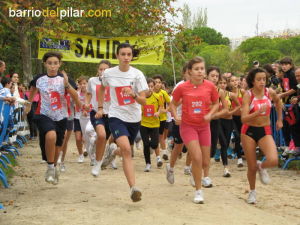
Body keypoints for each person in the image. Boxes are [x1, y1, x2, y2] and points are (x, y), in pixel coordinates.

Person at [97, 43, 148, 202]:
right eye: (123, 54)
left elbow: (144, 102)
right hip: (116, 116)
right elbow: (101, 88)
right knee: (126, 149)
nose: (126, 57)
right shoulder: (108, 73)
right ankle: (133, 188)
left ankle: (112, 152)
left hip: (134, 118)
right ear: (117, 56)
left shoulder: (138, 74)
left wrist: (133, 94)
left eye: (128, 54)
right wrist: (100, 107)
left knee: (125, 151)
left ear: (132, 56)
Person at [169, 56, 219, 204]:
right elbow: (173, 104)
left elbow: (216, 103)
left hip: (204, 127)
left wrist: (210, 114)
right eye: (196, 69)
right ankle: (198, 191)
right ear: (190, 71)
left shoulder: (210, 86)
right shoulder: (182, 87)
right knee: (196, 157)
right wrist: (175, 115)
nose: (199, 71)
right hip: (188, 126)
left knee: (204, 160)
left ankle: (195, 173)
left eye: (202, 69)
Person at [26, 51, 80, 185]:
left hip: (61, 116)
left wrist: (67, 85)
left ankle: (54, 166)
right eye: (49, 63)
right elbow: (32, 89)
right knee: (51, 136)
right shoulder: (39, 79)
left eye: (55, 63)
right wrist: (28, 104)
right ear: (45, 64)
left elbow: (75, 96)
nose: (52, 66)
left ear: (59, 64)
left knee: (58, 147)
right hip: (43, 114)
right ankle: (50, 167)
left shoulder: (64, 79)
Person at [241, 67, 282, 204]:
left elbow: (278, 101)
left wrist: (280, 119)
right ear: (252, 81)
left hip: (265, 129)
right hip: (249, 131)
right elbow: (244, 118)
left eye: (264, 79)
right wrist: (257, 113)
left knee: (274, 160)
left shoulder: (269, 92)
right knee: (251, 167)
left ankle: (262, 166)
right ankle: (252, 192)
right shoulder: (248, 95)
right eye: (259, 79)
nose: (262, 82)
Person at [84, 59, 116, 176]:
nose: (103, 71)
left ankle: (94, 147)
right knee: (102, 135)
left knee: (104, 139)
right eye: (101, 69)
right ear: (97, 70)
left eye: (105, 69)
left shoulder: (114, 82)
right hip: (97, 113)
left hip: (111, 115)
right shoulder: (92, 81)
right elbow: (88, 94)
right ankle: (97, 164)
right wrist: (87, 104)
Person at [140, 78, 163, 172]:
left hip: (154, 124)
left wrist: (158, 112)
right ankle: (148, 164)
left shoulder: (158, 97)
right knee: (145, 144)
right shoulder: (141, 97)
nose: (149, 88)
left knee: (154, 144)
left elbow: (161, 107)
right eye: (147, 86)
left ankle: (152, 147)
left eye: (151, 86)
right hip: (143, 124)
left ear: (154, 87)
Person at [152, 75, 171, 162]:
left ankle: (164, 153)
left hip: (162, 118)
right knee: (155, 137)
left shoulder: (163, 93)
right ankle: (158, 156)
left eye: (159, 82)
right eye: (156, 82)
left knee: (161, 136)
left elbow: (170, 104)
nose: (158, 84)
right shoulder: (150, 92)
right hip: (151, 119)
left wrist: (166, 110)